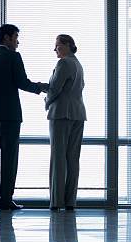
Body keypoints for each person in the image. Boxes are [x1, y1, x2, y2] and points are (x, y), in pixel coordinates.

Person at [0, 24, 46, 210]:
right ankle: (6, 200)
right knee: (9, 158)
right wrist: (40, 87)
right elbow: (22, 83)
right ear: (6, 38)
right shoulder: (13, 57)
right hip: (11, 117)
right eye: (15, 37)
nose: (17, 41)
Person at [45, 34, 87, 211]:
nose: (55, 49)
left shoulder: (63, 63)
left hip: (62, 114)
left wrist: (47, 101)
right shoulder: (78, 64)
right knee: (72, 159)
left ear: (69, 45)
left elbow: (55, 87)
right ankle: (70, 201)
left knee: (58, 158)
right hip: (78, 114)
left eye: (58, 46)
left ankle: (56, 202)